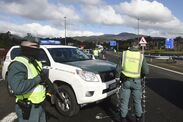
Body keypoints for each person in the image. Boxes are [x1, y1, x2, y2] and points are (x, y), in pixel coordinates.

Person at [7, 35, 47, 122]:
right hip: (28, 108)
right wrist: (39, 79)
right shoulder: (18, 64)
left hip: (40, 105)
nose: (38, 49)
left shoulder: (34, 61)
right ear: (26, 47)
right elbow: (18, 88)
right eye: (35, 46)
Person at [116, 42, 149, 122]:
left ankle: (123, 118)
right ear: (138, 47)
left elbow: (118, 69)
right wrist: (141, 75)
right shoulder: (141, 56)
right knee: (137, 102)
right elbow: (146, 71)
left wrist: (117, 78)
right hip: (136, 82)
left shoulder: (124, 54)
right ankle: (138, 118)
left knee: (124, 102)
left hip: (125, 81)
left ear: (129, 47)